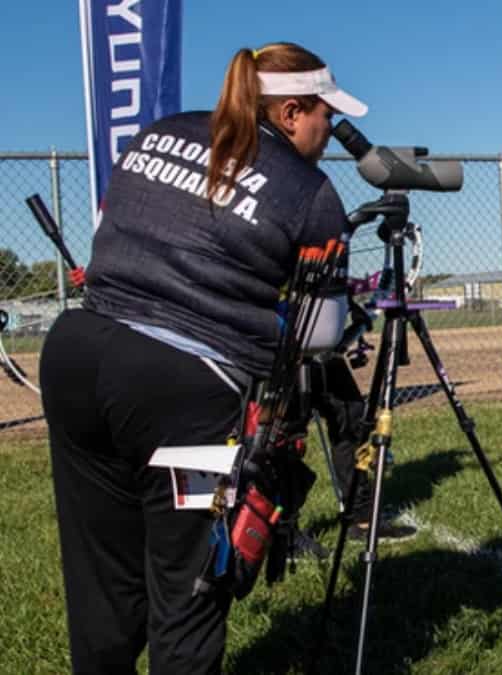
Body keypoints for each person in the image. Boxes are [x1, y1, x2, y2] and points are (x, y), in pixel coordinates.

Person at [40, 42, 367, 673]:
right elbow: (320, 336)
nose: (330, 131)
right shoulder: (309, 189)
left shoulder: (160, 133)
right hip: (184, 394)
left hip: (79, 356)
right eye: (325, 115)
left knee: (101, 583)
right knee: (189, 588)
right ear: (293, 111)